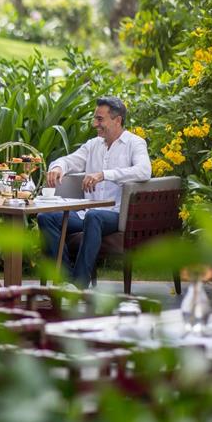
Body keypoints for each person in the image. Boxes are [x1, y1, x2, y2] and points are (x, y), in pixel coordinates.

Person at [36, 97, 150, 288]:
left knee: (94, 217)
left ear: (117, 120)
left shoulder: (135, 143)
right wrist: (57, 167)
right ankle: (65, 281)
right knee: (45, 218)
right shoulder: (93, 145)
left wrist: (104, 174)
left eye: (99, 119)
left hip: (118, 214)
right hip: (87, 214)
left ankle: (79, 284)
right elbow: (70, 160)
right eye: (95, 118)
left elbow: (144, 171)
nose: (94, 124)